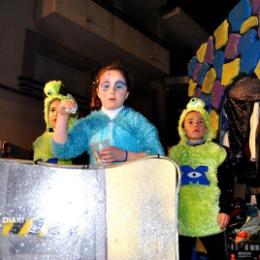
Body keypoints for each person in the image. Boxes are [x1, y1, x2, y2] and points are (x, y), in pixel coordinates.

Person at [52, 63, 164, 165]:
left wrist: (124, 155)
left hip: (131, 185)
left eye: (119, 86)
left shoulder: (137, 122)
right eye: (106, 86)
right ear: (98, 92)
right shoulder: (89, 124)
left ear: (127, 94)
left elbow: (158, 157)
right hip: (98, 185)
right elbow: (62, 151)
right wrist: (63, 116)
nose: (112, 91)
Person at [168, 97, 234, 260]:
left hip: (211, 216)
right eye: (190, 122)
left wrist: (225, 209)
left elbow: (226, 182)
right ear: (183, 127)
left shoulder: (217, 152)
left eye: (200, 122)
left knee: (218, 256)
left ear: (206, 128)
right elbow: (167, 185)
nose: (195, 125)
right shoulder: (175, 154)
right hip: (182, 216)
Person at [33, 80, 79, 164]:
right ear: (47, 114)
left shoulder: (73, 139)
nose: (56, 114)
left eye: (61, 110)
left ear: (69, 118)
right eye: (53, 110)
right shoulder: (41, 140)